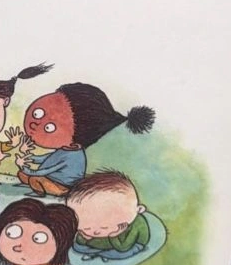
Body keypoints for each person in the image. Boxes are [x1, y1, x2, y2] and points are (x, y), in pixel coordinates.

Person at [17, 83, 154, 195]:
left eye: (49, 127)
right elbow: (46, 159)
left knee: (34, 179)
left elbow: (47, 169)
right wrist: (29, 158)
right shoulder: (65, 150)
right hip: (47, 178)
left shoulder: (73, 157)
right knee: (25, 176)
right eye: (38, 113)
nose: (35, 123)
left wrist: (27, 168)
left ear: (74, 144)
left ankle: (42, 188)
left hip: (62, 186)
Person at [66, 171, 153, 259]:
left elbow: (123, 247)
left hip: (123, 244)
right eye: (87, 228)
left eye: (104, 227)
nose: (96, 232)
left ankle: (101, 253)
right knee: (77, 247)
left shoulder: (136, 225)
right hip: (105, 242)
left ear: (139, 210)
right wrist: (85, 236)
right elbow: (80, 242)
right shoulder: (94, 229)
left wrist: (114, 235)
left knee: (120, 253)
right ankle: (100, 252)